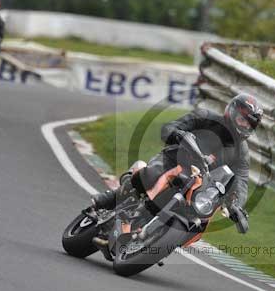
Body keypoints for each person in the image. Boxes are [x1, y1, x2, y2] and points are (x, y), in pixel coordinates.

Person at [91, 93, 263, 222]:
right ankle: (112, 197)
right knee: (150, 175)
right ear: (231, 112)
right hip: (174, 161)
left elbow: (241, 180)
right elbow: (171, 126)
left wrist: (237, 206)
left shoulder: (242, 151)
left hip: (199, 186)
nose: (244, 125)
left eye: (249, 123)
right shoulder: (205, 117)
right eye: (241, 119)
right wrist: (176, 133)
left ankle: (159, 238)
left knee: (200, 216)